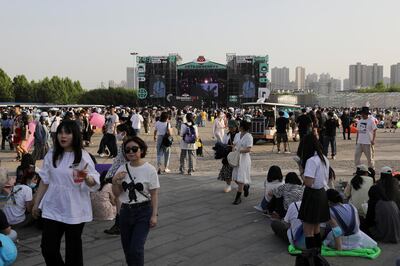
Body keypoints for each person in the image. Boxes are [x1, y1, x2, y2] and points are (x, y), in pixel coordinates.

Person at [32, 120, 100, 266]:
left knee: (73, 251)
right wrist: (36, 204)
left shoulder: (82, 156)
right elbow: (45, 180)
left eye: (67, 133)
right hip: (53, 205)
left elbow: (94, 182)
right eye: (60, 132)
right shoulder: (51, 154)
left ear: (74, 135)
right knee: (48, 248)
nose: (63, 136)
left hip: (75, 207)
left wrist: (87, 177)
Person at [111, 136, 159, 266]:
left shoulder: (150, 169)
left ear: (141, 150)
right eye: (127, 150)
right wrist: (115, 181)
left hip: (143, 211)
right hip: (125, 211)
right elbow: (117, 193)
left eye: (134, 149)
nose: (131, 152)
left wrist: (154, 215)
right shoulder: (122, 168)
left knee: (136, 249)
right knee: (127, 249)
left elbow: (154, 194)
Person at [298, 134, 330, 259]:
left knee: (308, 230)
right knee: (316, 228)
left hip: (312, 195)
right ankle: (318, 255)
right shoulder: (323, 158)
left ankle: (311, 257)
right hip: (321, 193)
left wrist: (301, 170)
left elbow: (308, 183)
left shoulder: (311, 161)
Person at [104, 123, 137, 235]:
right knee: (122, 199)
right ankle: (123, 223)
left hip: (122, 175)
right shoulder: (127, 143)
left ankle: (120, 224)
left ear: (124, 133)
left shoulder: (128, 145)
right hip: (121, 174)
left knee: (119, 199)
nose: (117, 134)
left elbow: (130, 160)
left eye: (118, 132)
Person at [232, 120, 253, 205]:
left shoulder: (249, 136)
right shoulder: (237, 135)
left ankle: (238, 197)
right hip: (236, 158)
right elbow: (234, 144)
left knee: (241, 178)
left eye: (240, 125)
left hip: (244, 159)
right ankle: (245, 186)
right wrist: (233, 149)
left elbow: (248, 149)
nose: (238, 127)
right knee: (235, 178)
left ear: (243, 127)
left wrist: (239, 151)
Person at [217, 120, 239, 193]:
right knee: (227, 171)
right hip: (228, 156)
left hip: (237, 156)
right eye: (229, 127)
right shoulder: (226, 135)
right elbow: (223, 144)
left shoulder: (239, 135)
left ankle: (241, 185)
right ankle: (228, 185)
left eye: (232, 127)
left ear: (236, 127)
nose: (230, 128)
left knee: (237, 173)